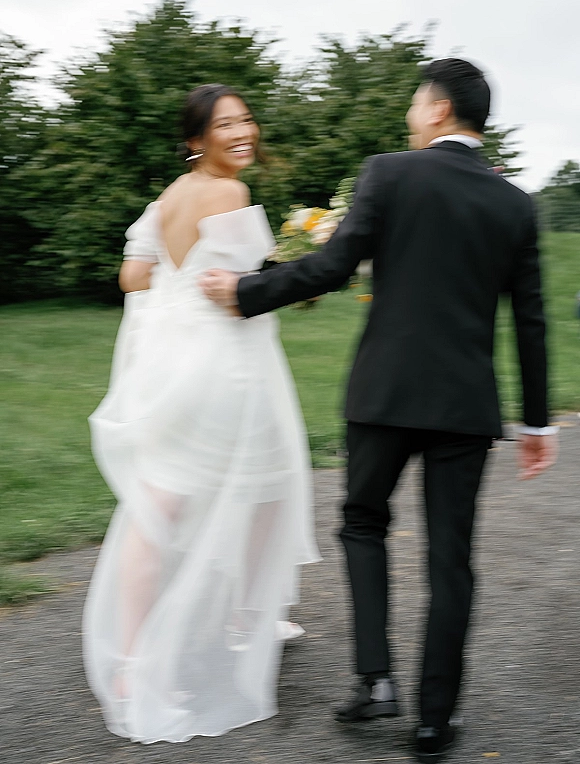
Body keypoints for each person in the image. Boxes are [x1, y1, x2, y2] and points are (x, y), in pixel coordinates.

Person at [200, 59, 558, 762]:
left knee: (363, 522)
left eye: (415, 101)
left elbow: (333, 269)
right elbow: (532, 319)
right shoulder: (516, 205)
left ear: (437, 109)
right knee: (450, 561)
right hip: (465, 405)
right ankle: (433, 722)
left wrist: (244, 292)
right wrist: (538, 422)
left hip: (385, 395)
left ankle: (376, 680)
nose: (409, 113)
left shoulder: (389, 173)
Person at [83, 84, 320, 744]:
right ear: (196, 140)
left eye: (246, 119)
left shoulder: (165, 202)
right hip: (230, 365)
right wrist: (298, 265)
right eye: (226, 124)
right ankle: (247, 615)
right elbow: (252, 285)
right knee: (270, 487)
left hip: (172, 360)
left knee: (159, 504)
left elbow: (134, 276)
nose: (243, 131)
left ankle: (130, 659)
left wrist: (185, 286)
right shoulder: (230, 194)